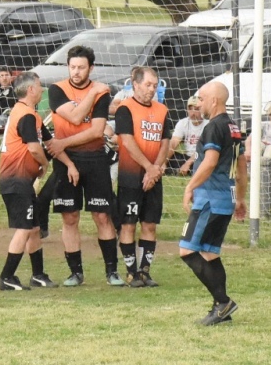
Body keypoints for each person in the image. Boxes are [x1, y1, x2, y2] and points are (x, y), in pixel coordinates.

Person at [44, 45, 123, 287]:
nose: (76, 72)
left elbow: (97, 131)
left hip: (95, 158)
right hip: (66, 160)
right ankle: (75, 273)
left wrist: (62, 142)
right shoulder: (57, 89)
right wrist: (93, 93)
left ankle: (112, 271)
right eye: (72, 67)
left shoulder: (102, 92)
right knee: (70, 217)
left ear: (91, 68)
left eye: (81, 67)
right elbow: (76, 117)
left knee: (101, 215)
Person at [180, 81, 248, 326]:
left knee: (187, 250)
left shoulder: (213, 128)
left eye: (201, 99)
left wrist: (190, 187)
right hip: (225, 200)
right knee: (209, 252)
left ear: (214, 101)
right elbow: (241, 167)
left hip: (209, 199)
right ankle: (222, 309)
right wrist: (240, 198)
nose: (198, 104)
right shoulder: (233, 128)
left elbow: (209, 163)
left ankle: (223, 302)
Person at [0, 72, 63, 290]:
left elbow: (50, 141)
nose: (42, 89)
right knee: (24, 229)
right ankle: (6, 277)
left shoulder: (29, 114)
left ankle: (38, 275)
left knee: (34, 229)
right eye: (39, 86)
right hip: (15, 180)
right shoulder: (25, 115)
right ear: (31, 90)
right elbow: (35, 149)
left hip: (20, 180)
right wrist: (45, 164)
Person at [114, 66, 172, 287]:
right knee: (128, 224)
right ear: (135, 84)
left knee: (149, 224)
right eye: (148, 85)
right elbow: (127, 141)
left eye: (155, 85)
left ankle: (145, 271)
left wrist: (155, 170)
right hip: (131, 176)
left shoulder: (162, 110)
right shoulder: (125, 108)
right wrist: (149, 167)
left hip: (153, 176)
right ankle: (131, 272)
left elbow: (165, 142)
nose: (152, 89)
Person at [166, 96, 207, 175]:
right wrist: (163, 162)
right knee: (166, 154)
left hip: (201, 157)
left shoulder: (208, 125)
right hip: (187, 156)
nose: (193, 112)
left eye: (196, 109)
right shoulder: (182, 123)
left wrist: (187, 163)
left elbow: (203, 150)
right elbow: (173, 143)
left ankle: (180, 171)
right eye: (190, 109)